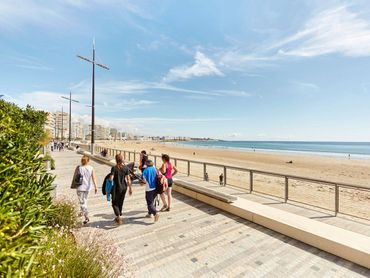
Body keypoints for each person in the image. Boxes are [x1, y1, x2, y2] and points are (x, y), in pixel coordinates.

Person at [73, 155, 98, 224]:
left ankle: (86, 217)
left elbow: (75, 177)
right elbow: (94, 178)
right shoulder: (91, 168)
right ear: (88, 161)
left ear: (82, 160)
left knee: (82, 202)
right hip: (88, 187)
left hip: (80, 187)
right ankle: (82, 212)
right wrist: (96, 187)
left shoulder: (78, 168)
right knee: (85, 200)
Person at [111, 153, 132, 225]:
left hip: (116, 188)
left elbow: (111, 179)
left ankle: (118, 216)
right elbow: (128, 179)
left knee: (114, 202)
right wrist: (130, 189)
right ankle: (118, 216)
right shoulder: (126, 168)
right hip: (124, 187)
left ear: (116, 160)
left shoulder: (114, 168)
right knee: (121, 201)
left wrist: (109, 177)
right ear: (122, 159)